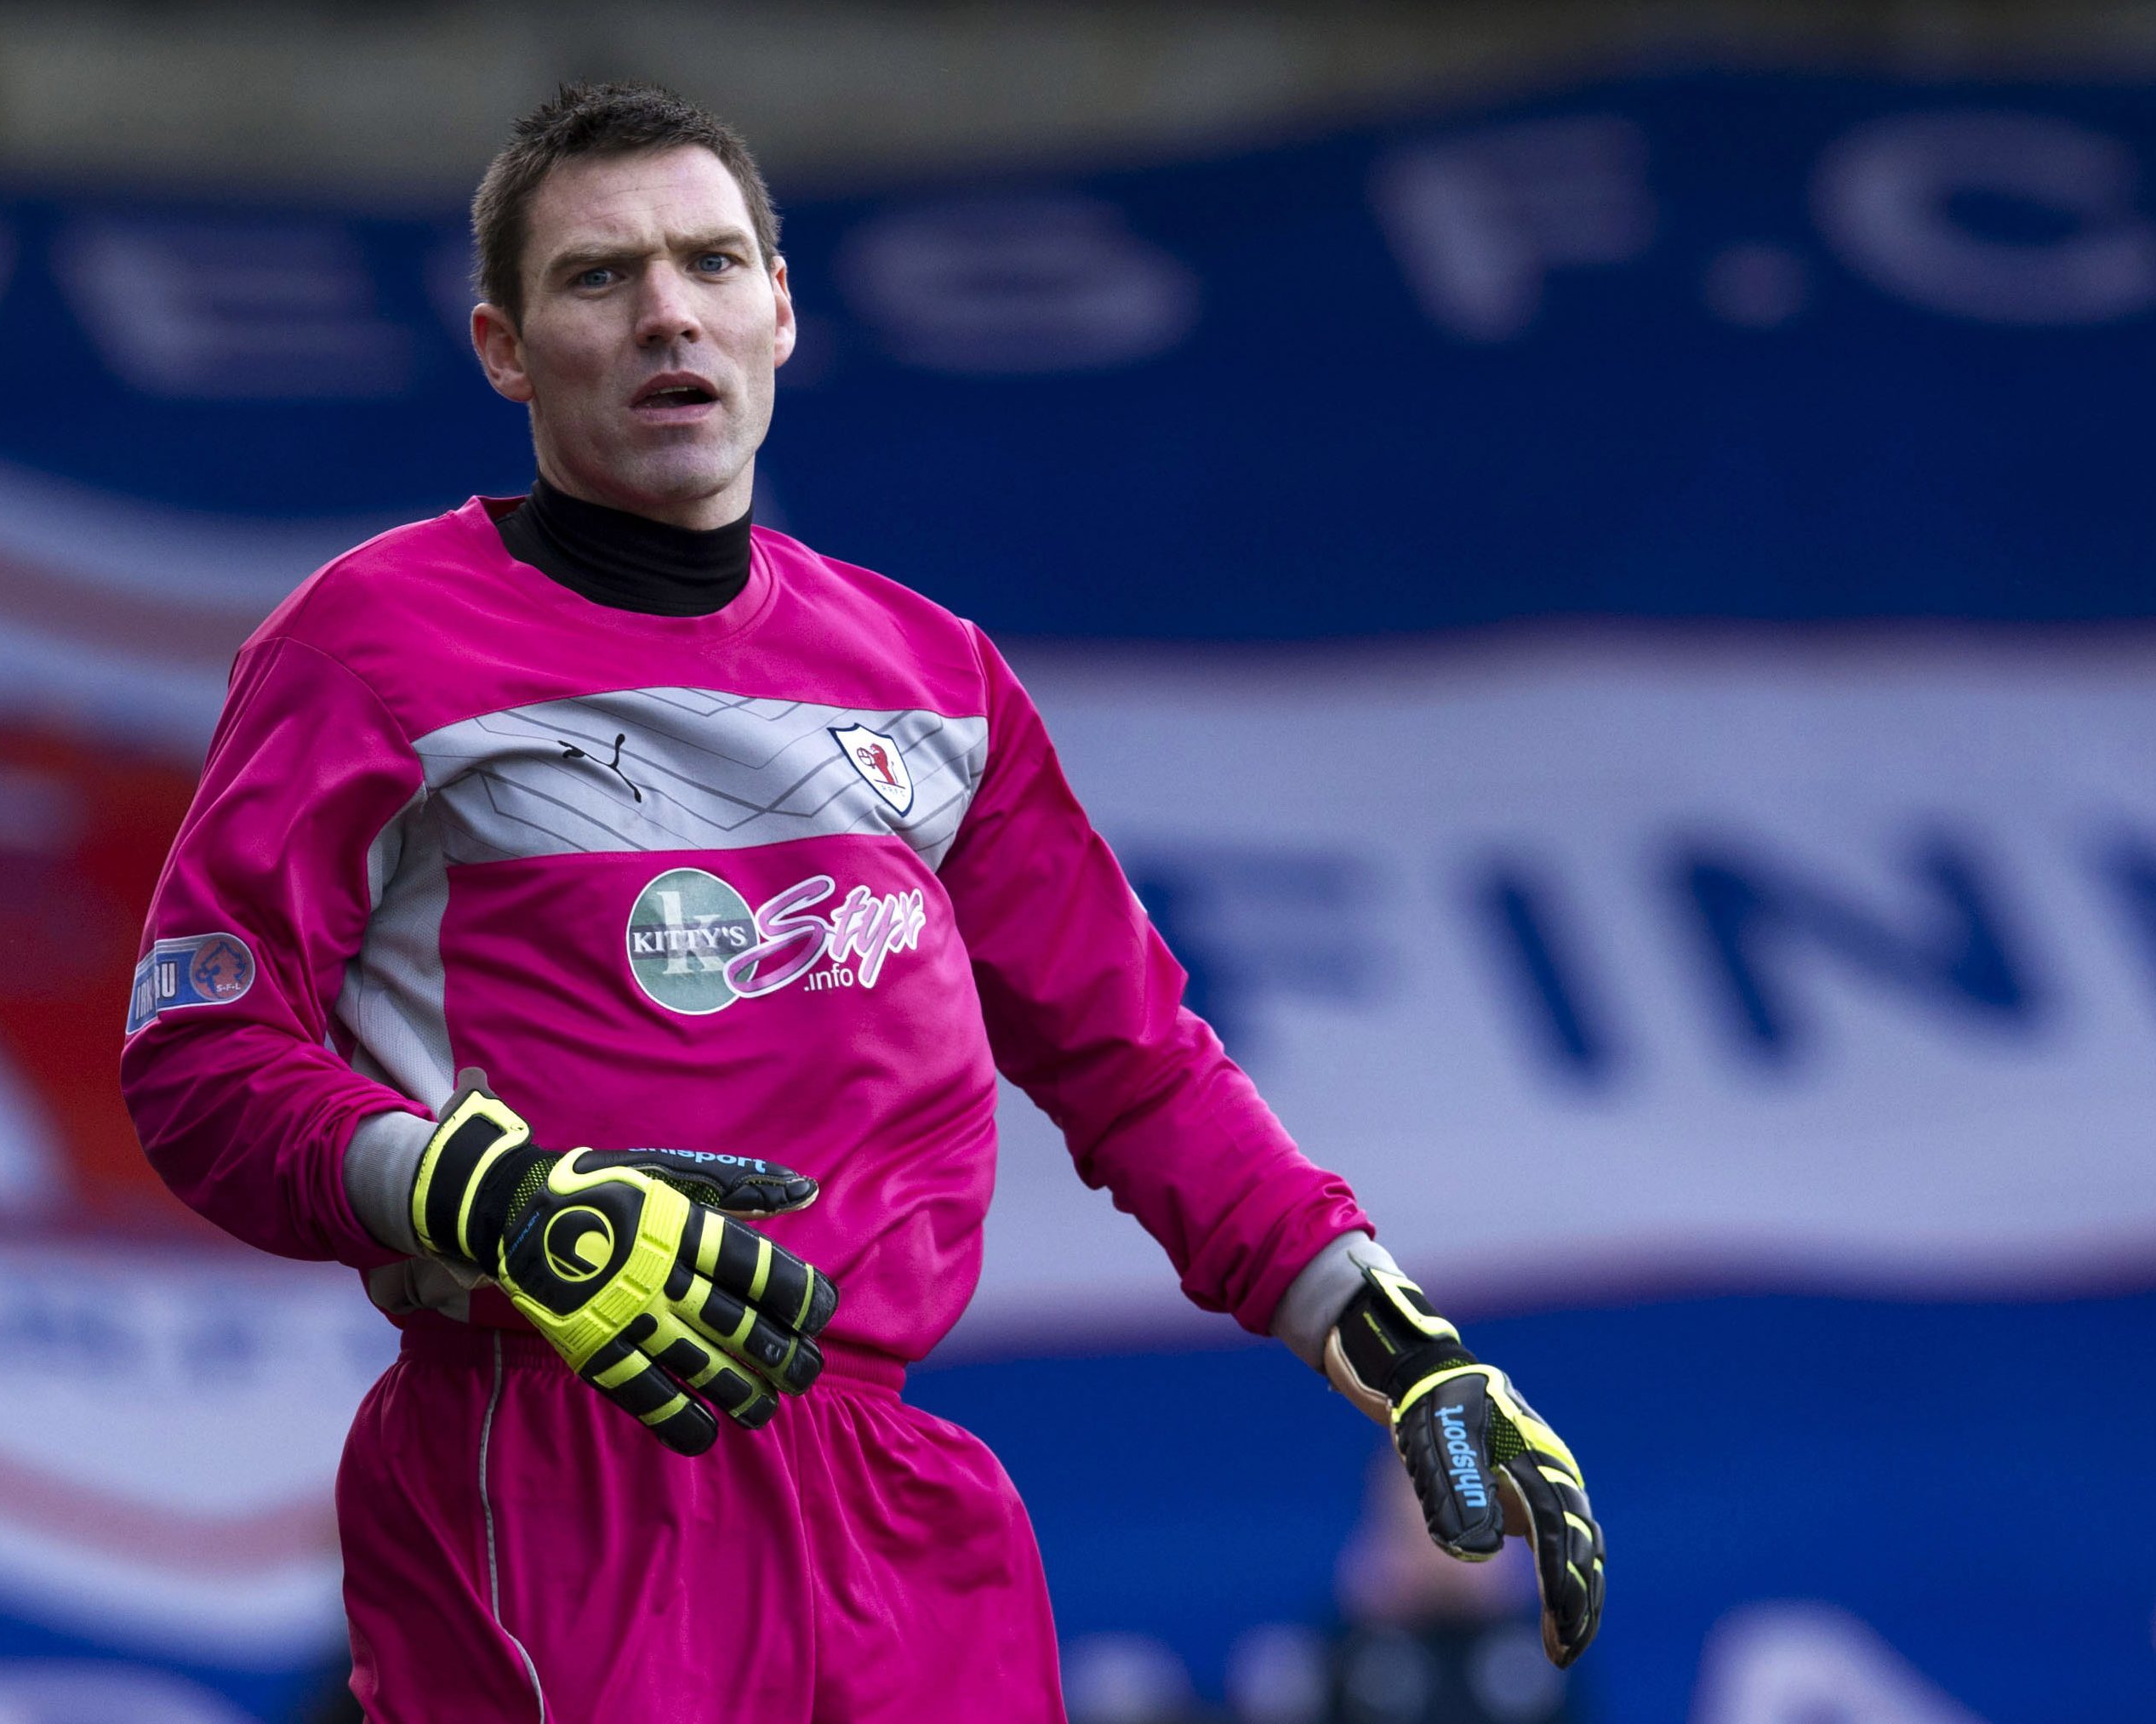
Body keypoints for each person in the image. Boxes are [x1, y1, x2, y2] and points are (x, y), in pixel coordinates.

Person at [119, 82, 1600, 1723]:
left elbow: (1139, 1062)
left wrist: (1394, 1341)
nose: (667, 308)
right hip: (559, 1467)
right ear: (504, 347)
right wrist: (497, 1203)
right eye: (599, 276)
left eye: (710, 260)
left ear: (780, 311)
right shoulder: (368, 640)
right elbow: (197, 1059)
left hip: (901, 1499)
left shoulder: (935, 677)